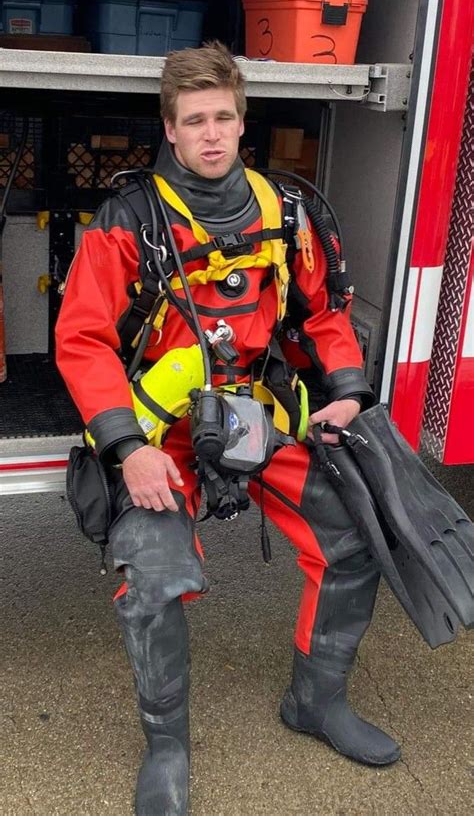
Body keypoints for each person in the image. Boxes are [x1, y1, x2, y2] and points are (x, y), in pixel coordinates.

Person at [56, 42, 400, 816]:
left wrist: (345, 392)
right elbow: (81, 340)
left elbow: (326, 315)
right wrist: (127, 448)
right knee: (155, 577)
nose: (211, 134)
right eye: (193, 121)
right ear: (170, 131)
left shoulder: (289, 211)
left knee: (352, 536)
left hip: (254, 414)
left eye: (223, 118)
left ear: (243, 123)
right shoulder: (130, 217)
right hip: (162, 435)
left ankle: (316, 701)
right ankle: (167, 745)